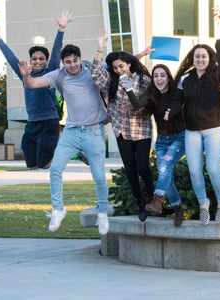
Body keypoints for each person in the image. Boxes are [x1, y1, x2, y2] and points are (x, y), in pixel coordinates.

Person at [18, 44, 110, 235]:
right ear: (63, 63)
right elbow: (32, 84)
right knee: (55, 169)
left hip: (94, 131)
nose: (72, 65)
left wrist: (138, 56)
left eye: (74, 60)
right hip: (71, 131)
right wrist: (27, 75)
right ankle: (58, 209)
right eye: (67, 62)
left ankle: (102, 214)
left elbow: (119, 65)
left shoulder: (91, 69)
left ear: (79, 58)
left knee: (100, 177)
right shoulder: (58, 75)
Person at [0, 11, 89, 169]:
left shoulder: (51, 73)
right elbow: (11, 58)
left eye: (41, 59)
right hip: (32, 124)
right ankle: (69, 151)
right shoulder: (25, 76)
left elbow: (56, 51)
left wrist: (61, 29)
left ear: (46, 61)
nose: (37, 61)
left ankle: (72, 152)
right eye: (34, 58)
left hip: (49, 122)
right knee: (32, 165)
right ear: (30, 61)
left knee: (44, 164)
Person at [91, 30, 153, 222]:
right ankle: (139, 202)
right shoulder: (111, 82)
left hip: (141, 129)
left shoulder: (143, 80)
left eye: (121, 66)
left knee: (143, 166)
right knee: (130, 169)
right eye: (115, 67)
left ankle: (153, 198)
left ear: (129, 64)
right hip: (121, 130)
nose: (118, 70)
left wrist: (135, 107)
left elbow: (149, 103)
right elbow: (95, 72)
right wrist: (101, 49)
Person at [167, 34, 220, 225]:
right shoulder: (186, 78)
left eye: (204, 56)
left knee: (212, 169)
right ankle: (204, 204)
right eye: (197, 56)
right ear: (192, 59)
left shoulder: (216, 76)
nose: (200, 59)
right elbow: (178, 98)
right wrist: (171, 110)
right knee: (194, 171)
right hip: (192, 130)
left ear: (210, 58)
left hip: (214, 129)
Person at [126, 64, 186, 226]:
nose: (159, 79)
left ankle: (157, 199)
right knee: (165, 172)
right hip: (161, 140)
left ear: (168, 77)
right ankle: (177, 207)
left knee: (166, 164)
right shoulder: (152, 94)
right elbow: (138, 104)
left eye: (162, 75)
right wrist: (128, 88)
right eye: (156, 76)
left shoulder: (176, 92)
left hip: (180, 138)